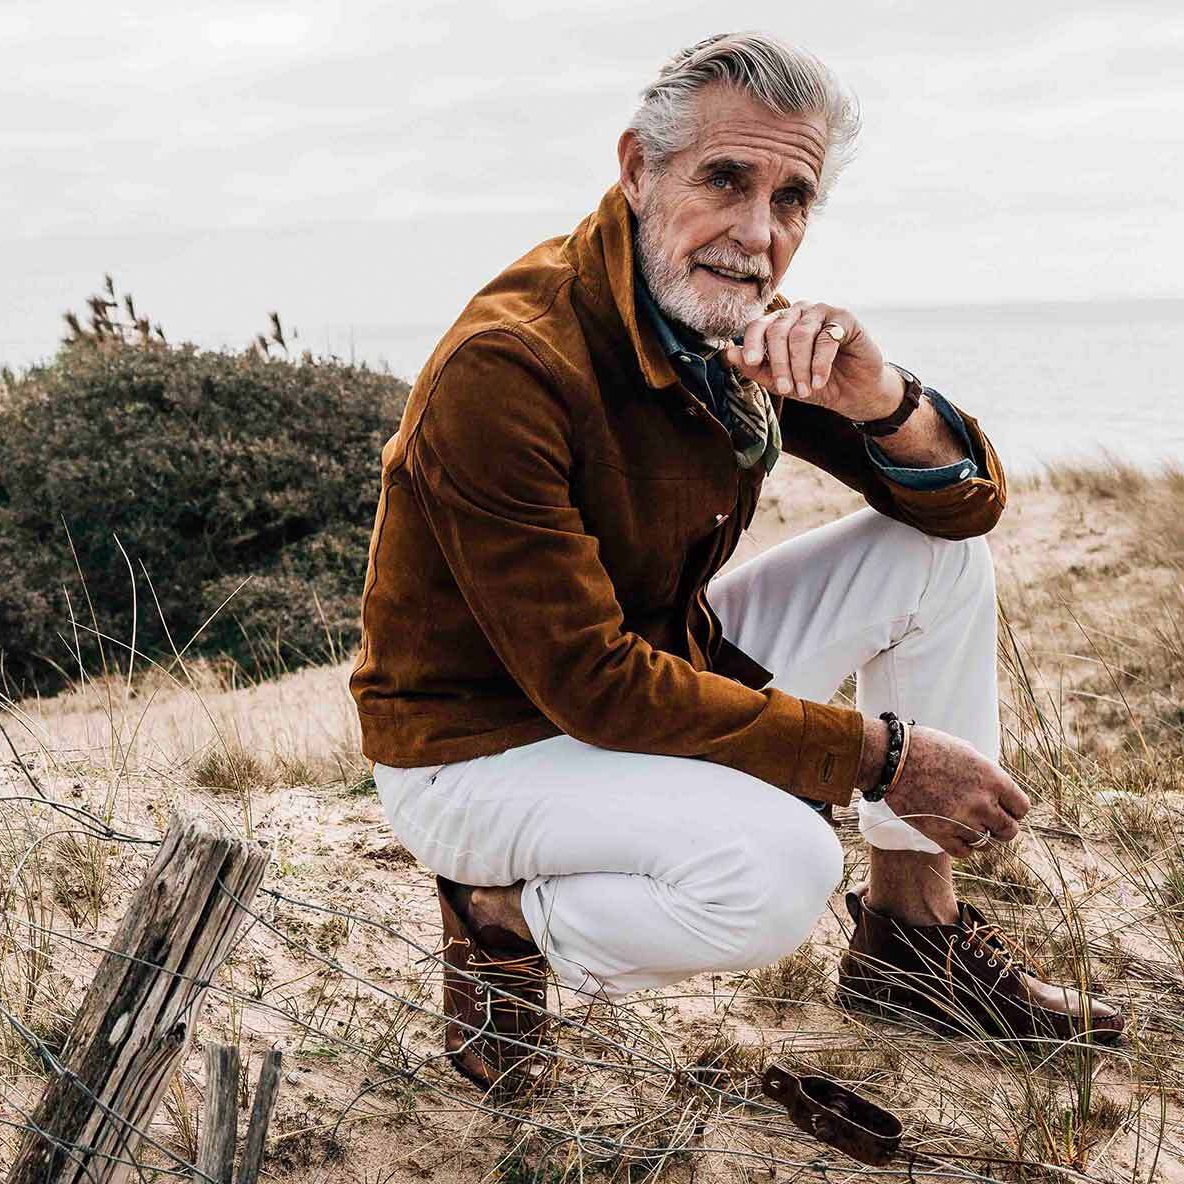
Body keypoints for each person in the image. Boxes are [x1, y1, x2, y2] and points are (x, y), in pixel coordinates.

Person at [347, 31, 1124, 1098]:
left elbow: (963, 508)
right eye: (724, 179)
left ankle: (911, 942)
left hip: (661, 664)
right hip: (479, 749)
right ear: (639, 169)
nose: (758, 233)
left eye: (791, 198)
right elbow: (591, 685)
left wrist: (879, 399)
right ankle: (498, 915)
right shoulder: (509, 364)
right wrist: (879, 756)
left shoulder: (723, 322)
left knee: (933, 563)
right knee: (778, 870)